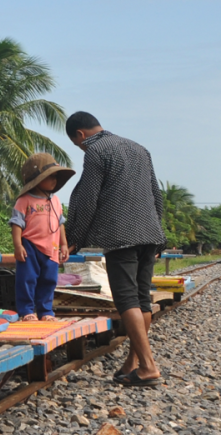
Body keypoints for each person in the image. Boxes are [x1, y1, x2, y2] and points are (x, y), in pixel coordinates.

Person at [64, 111, 168, 387]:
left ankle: (148, 366)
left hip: (121, 236)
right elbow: (155, 193)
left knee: (127, 301)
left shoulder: (96, 151)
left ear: (80, 135)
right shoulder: (139, 148)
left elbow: (88, 199)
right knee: (141, 299)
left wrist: (75, 237)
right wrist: (160, 234)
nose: (81, 148)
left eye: (78, 144)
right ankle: (132, 364)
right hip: (149, 234)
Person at [10, 153, 74, 322]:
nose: (54, 180)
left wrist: (64, 245)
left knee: (49, 280)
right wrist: (18, 245)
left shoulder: (56, 201)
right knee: (27, 279)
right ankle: (27, 311)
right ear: (37, 179)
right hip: (30, 246)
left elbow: (60, 224)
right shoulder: (24, 200)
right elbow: (16, 224)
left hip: (52, 248)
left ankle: (46, 311)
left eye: (55, 177)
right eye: (50, 177)